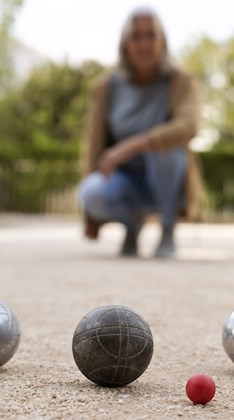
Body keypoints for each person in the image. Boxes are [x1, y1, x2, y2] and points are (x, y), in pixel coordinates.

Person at [79, 6, 203, 258]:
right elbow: (93, 146)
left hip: (167, 180)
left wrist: (131, 145)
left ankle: (167, 227)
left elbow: (188, 126)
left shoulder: (182, 81)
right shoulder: (107, 87)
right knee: (90, 192)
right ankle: (131, 225)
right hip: (124, 182)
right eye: (136, 36)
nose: (144, 44)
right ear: (125, 43)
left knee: (165, 150)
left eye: (151, 35)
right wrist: (89, 216)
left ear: (163, 41)